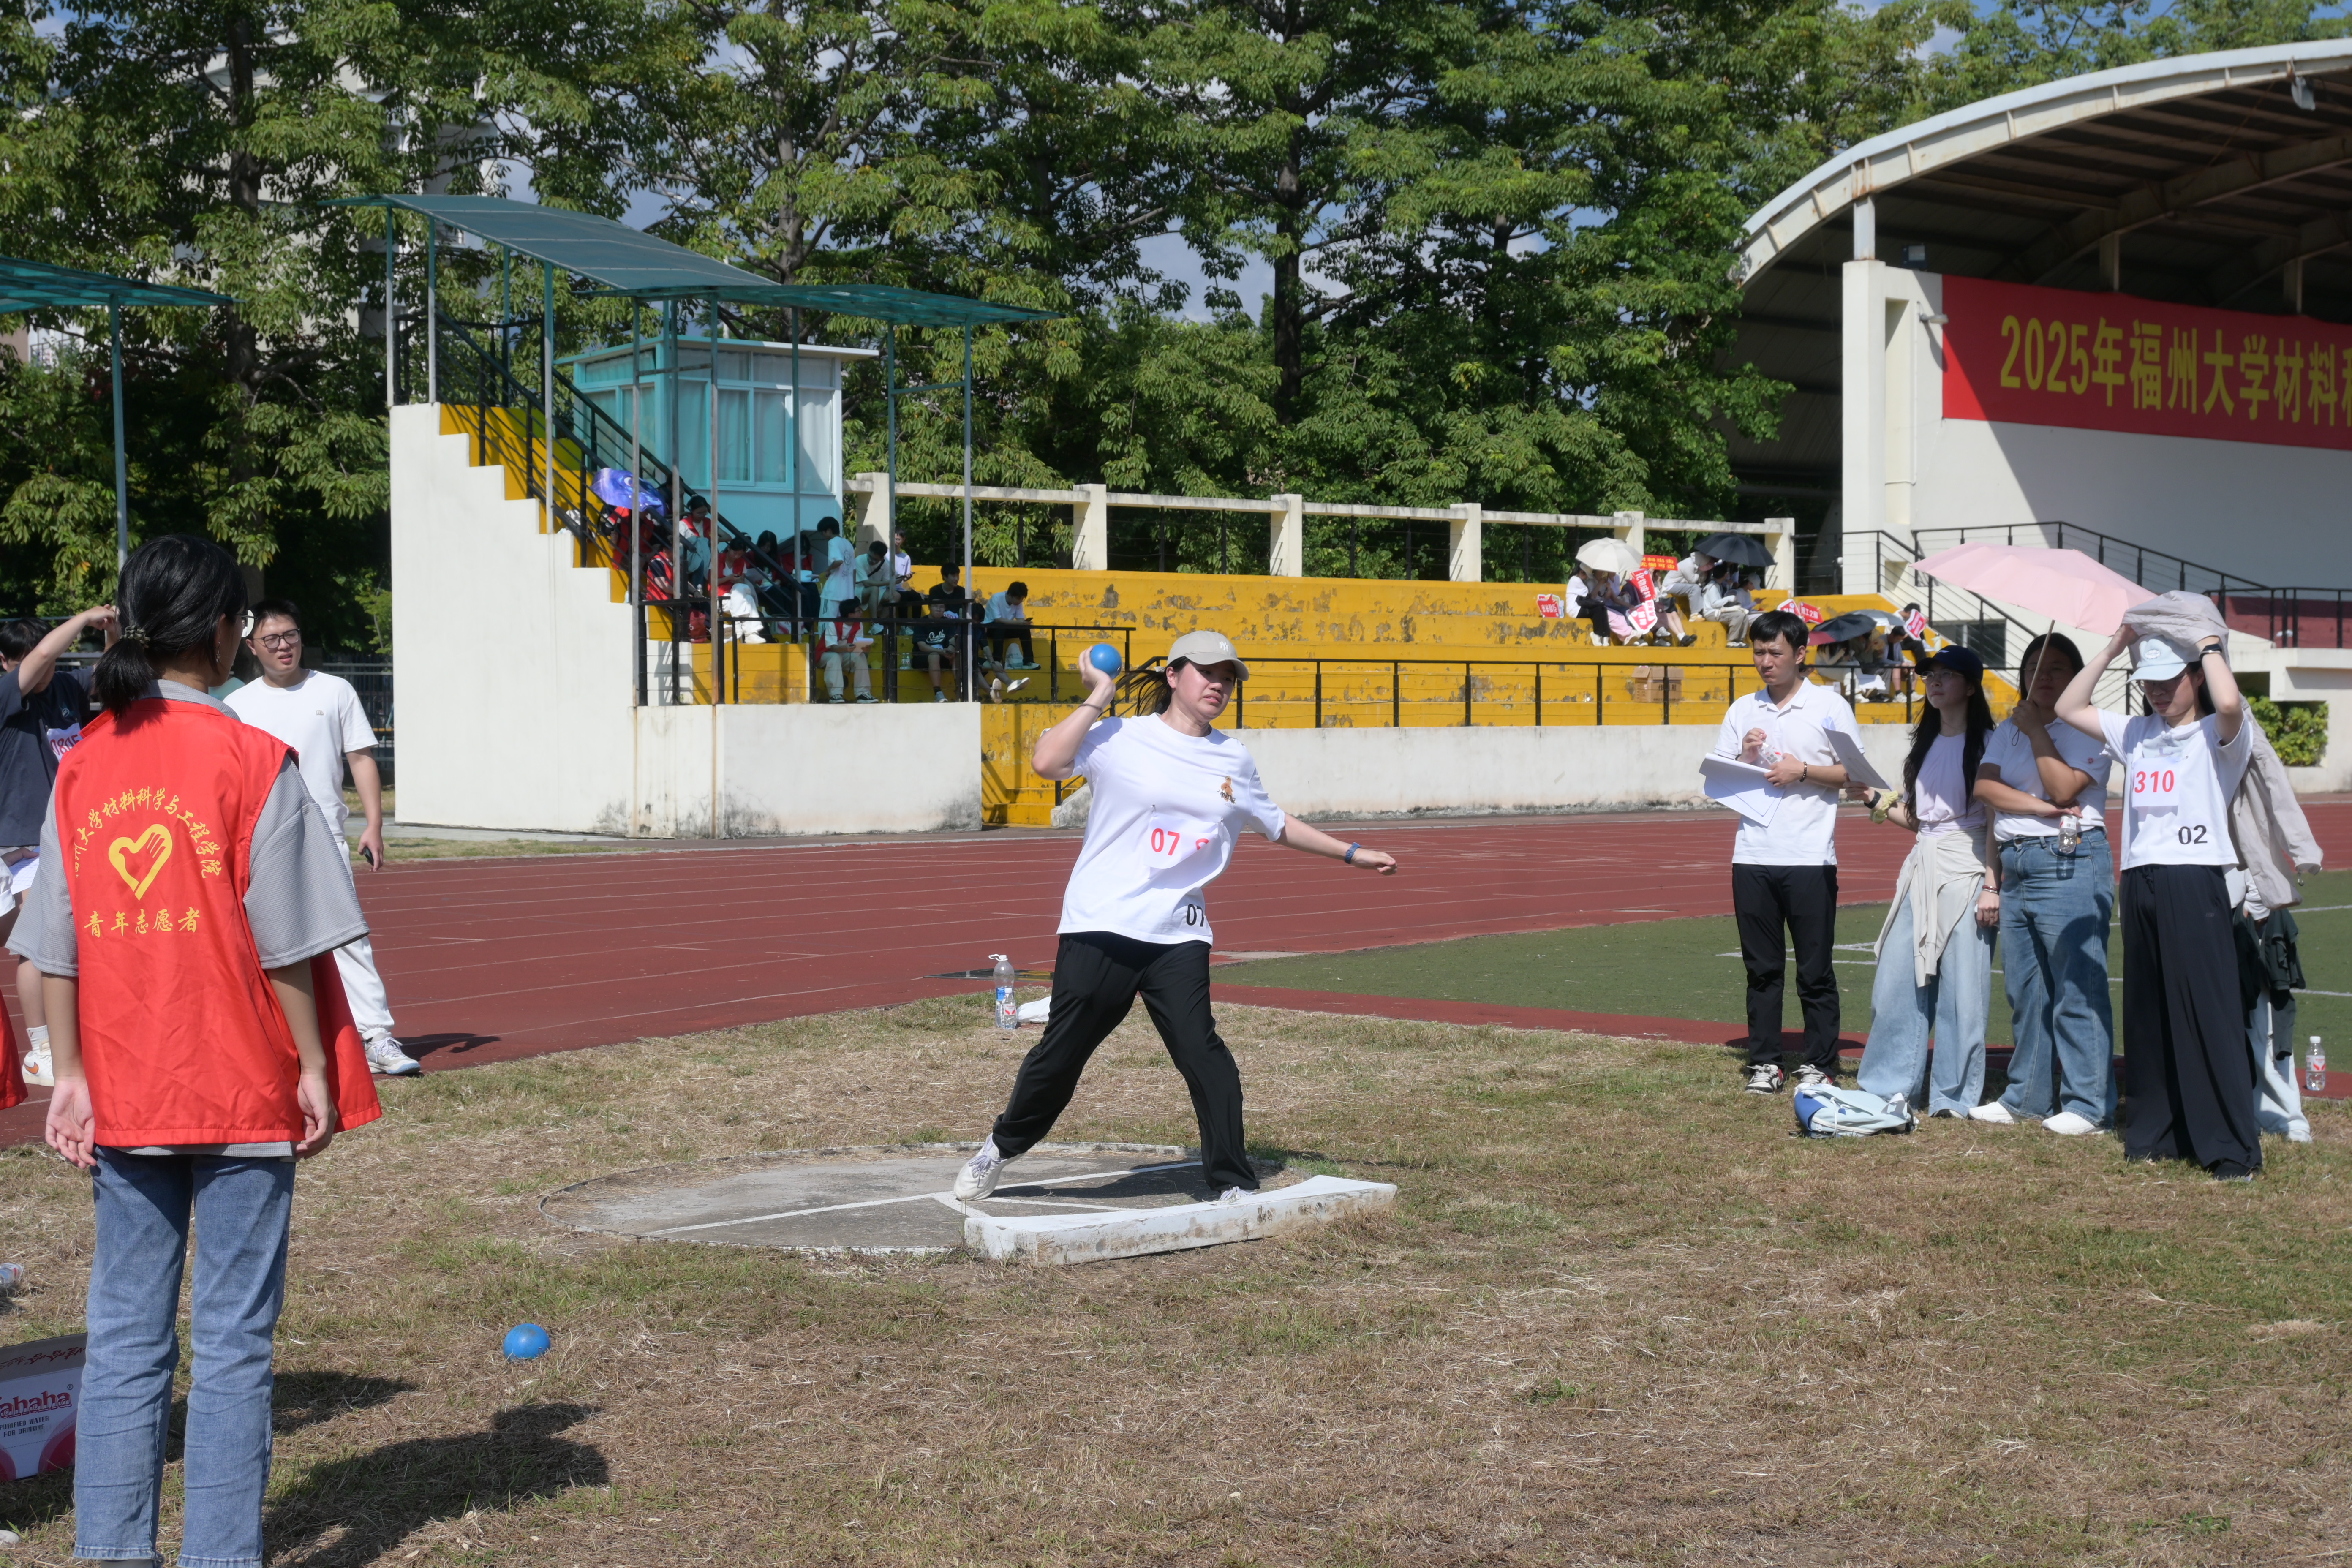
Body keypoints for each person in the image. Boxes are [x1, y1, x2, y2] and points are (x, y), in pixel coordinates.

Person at [11, 533, 380, 1568]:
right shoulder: (251, 760)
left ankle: (111, 1551)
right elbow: (289, 944)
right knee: (231, 1346)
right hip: (239, 1087)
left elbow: (54, 946)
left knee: (125, 1340)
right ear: (223, 631)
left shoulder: (85, 763)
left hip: (127, 1085)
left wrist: (70, 1075)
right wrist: (313, 1066)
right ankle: (221, 1553)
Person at [951, 630, 1399, 1204]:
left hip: (1179, 930)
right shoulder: (1118, 735)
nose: (1219, 684)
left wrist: (1352, 853)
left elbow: (1275, 823)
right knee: (1061, 1056)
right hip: (1103, 922)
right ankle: (1000, 1147)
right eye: (1207, 672)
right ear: (1173, 675)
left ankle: (1231, 1181)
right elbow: (1046, 762)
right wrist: (1099, 695)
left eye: (1228, 677)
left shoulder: (1233, 757)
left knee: (1203, 1052)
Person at [2056, 627, 2257, 1179]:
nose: (2158, 691)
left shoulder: (2220, 732)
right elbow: (2068, 706)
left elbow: (2230, 702)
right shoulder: (2137, 732)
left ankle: (2230, 1148)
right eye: (2148, 682)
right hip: (2141, 878)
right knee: (2149, 1013)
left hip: (2195, 877)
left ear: (2195, 676)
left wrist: (2210, 646)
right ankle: (2157, 1134)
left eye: (2169, 680)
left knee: (2207, 1013)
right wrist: (2113, 647)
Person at [224, 601, 418, 1076]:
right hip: (260, 841)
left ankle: (376, 1035)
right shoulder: (237, 706)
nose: (284, 646)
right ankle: (276, 1044)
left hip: (324, 834)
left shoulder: (334, 690)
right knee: (264, 942)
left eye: (290, 635)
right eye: (272, 639)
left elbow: (361, 758)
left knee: (348, 938)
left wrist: (374, 825)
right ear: (252, 647)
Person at [1969, 633, 2115, 1133]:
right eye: (2034, 667)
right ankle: (2026, 1097)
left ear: (2076, 676)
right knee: (2026, 988)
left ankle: (2088, 1105)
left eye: (2056, 668)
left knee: (2077, 984)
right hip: (2018, 861)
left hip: (2069, 859)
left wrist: (2036, 730)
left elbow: (2063, 785)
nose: (2043, 677)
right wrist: (2039, 808)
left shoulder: (2090, 727)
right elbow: (1985, 787)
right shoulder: (2008, 728)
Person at [1712, 608, 1859, 1094]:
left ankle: (1821, 1063)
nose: (1765, 661)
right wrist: (1745, 757)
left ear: (1800, 654)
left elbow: (1854, 774)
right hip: (1752, 855)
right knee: (1762, 969)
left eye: (1774, 652)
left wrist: (1805, 771)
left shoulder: (1829, 706)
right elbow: (1721, 781)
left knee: (1815, 970)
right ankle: (1766, 1063)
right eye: (1758, 652)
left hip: (1810, 856)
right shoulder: (1743, 709)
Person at [1854, 646, 2005, 1120]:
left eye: (1947, 675)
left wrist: (1992, 884)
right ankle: (1888, 1086)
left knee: (1964, 990)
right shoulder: (1925, 743)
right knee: (1897, 980)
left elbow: (1996, 822)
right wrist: (1876, 800)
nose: (1934, 682)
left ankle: (1952, 1097)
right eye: (1929, 675)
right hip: (1923, 865)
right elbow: (1923, 822)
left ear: (1972, 686)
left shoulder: (1990, 745)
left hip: (1970, 866)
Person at [0, 608, 114, 1086]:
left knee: (62, 936)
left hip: (70, 834)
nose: (45, 668)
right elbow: (47, 651)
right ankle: (41, 1048)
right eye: (31, 662)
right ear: (6, 663)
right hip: (24, 841)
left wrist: (112, 631)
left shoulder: (67, 688)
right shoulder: (7, 694)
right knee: (39, 940)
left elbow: (113, 674)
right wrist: (85, 617)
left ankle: (68, 1038)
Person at [2228, 714, 2324, 1143]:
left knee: (2264, 1013)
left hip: (2252, 889)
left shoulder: (2237, 721)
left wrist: (2302, 851)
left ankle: (2283, 1114)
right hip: (2204, 885)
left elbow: (2272, 784)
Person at [916, 564, 974, 702]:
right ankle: (938, 694)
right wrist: (941, 652)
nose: (956, 578)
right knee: (934, 655)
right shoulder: (922, 622)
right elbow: (921, 646)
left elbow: (952, 638)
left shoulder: (949, 621)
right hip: (925, 657)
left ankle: (961, 689)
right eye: (953, 575)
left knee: (956, 654)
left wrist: (951, 649)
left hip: (945, 650)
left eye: (942, 607)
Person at [819, 605, 876, 703]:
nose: (861, 613)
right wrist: (844, 648)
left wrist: (864, 649)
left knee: (861, 656)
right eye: (858, 611)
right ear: (850, 614)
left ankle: (863, 694)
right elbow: (832, 648)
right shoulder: (833, 624)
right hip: (824, 656)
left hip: (844, 655)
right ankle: (835, 695)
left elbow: (856, 646)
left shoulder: (859, 624)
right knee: (835, 657)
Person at [1697, 564, 1753, 646]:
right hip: (1711, 614)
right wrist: (1729, 598)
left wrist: (1729, 586)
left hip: (1718, 612)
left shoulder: (1717, 585)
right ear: (1726, 575)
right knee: (1739, 616)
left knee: (1745, 615)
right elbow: (1715, 604)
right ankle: (1732, 641)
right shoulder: (1712, 586)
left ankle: (1740, 640)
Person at [985, 580, 1036, 669]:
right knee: (1000, 627)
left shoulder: (1018, 603)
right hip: (991, 628)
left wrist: (1024, 623)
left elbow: (1020, 618)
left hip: (1006, 628)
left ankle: (1029, 662)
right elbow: (998, 620)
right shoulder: (996, 598)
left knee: (1025, 629)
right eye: (1019, 598)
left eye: (1022, 599)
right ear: (1010, 595)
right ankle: (997, 660)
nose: (1021, 601)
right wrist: (1018, 623)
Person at [817, 517, 855, 619]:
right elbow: (854, 569)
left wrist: (828, 569)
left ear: (829, 530)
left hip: (833, 592)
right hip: (847, 593)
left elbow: (839, 561)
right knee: (841, 623)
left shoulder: (832, 542)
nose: (823, 536)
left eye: (823, 533)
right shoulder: (848, 544)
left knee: (826, 621)